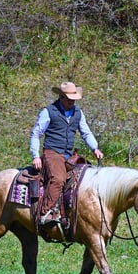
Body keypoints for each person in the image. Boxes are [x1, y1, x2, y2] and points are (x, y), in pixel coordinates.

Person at [30, 81, 104, 225]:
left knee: (84, 176)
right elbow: (36, 133)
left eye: (74, 99)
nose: (72, 102)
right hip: (52, 152)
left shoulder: (78, 113)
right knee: (58, 179)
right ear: (61, 97)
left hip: (69, 154)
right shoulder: (49, 111)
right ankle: (45, 213)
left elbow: (86, 132)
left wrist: (95, 148)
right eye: (69, 99)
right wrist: (35, 156)